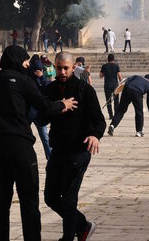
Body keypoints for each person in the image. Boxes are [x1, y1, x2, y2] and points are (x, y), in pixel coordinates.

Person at [0, 45, 77, 241]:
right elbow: (43, 105)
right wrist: (62, 105)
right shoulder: (23, 81)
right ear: (19, 61)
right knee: (29, 200)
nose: (28, 64)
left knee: (2, 201)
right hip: (21, 147)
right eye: (26, 61)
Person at [43, 52, 104, 241]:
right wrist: (58, 107)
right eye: (59, 68)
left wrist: (95, 135)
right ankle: (83, 225)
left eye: (65, 68)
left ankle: (68, 237)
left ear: (72, 68)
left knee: (69, 199)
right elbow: (42, 116)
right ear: (54, 66)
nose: (62, 72)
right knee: (51, 197)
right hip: (58, 150)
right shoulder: (50, 90)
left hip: (79, 151)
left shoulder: (84, 90)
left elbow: (99, 120)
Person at [27, 56, 52, 159]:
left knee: (45, 137)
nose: (38, 71)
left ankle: (50, 157)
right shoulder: (26, 78)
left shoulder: (43, 79)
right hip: (28, 113)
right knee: (25, 137)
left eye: (40, 69)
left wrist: (41, 77)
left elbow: (47, 90)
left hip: (39, 113)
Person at [99, 53, 122, 120]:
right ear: (113, 59)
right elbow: (120, 76)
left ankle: (111, 115)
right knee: (116, 101)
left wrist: (105, 74)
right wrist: (122, 83)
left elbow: (100, 76)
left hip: (107, 85)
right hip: (115, 85)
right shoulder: (116, 66)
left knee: (108, 100)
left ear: (107, 59)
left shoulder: (104, 66)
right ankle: (116, 115)